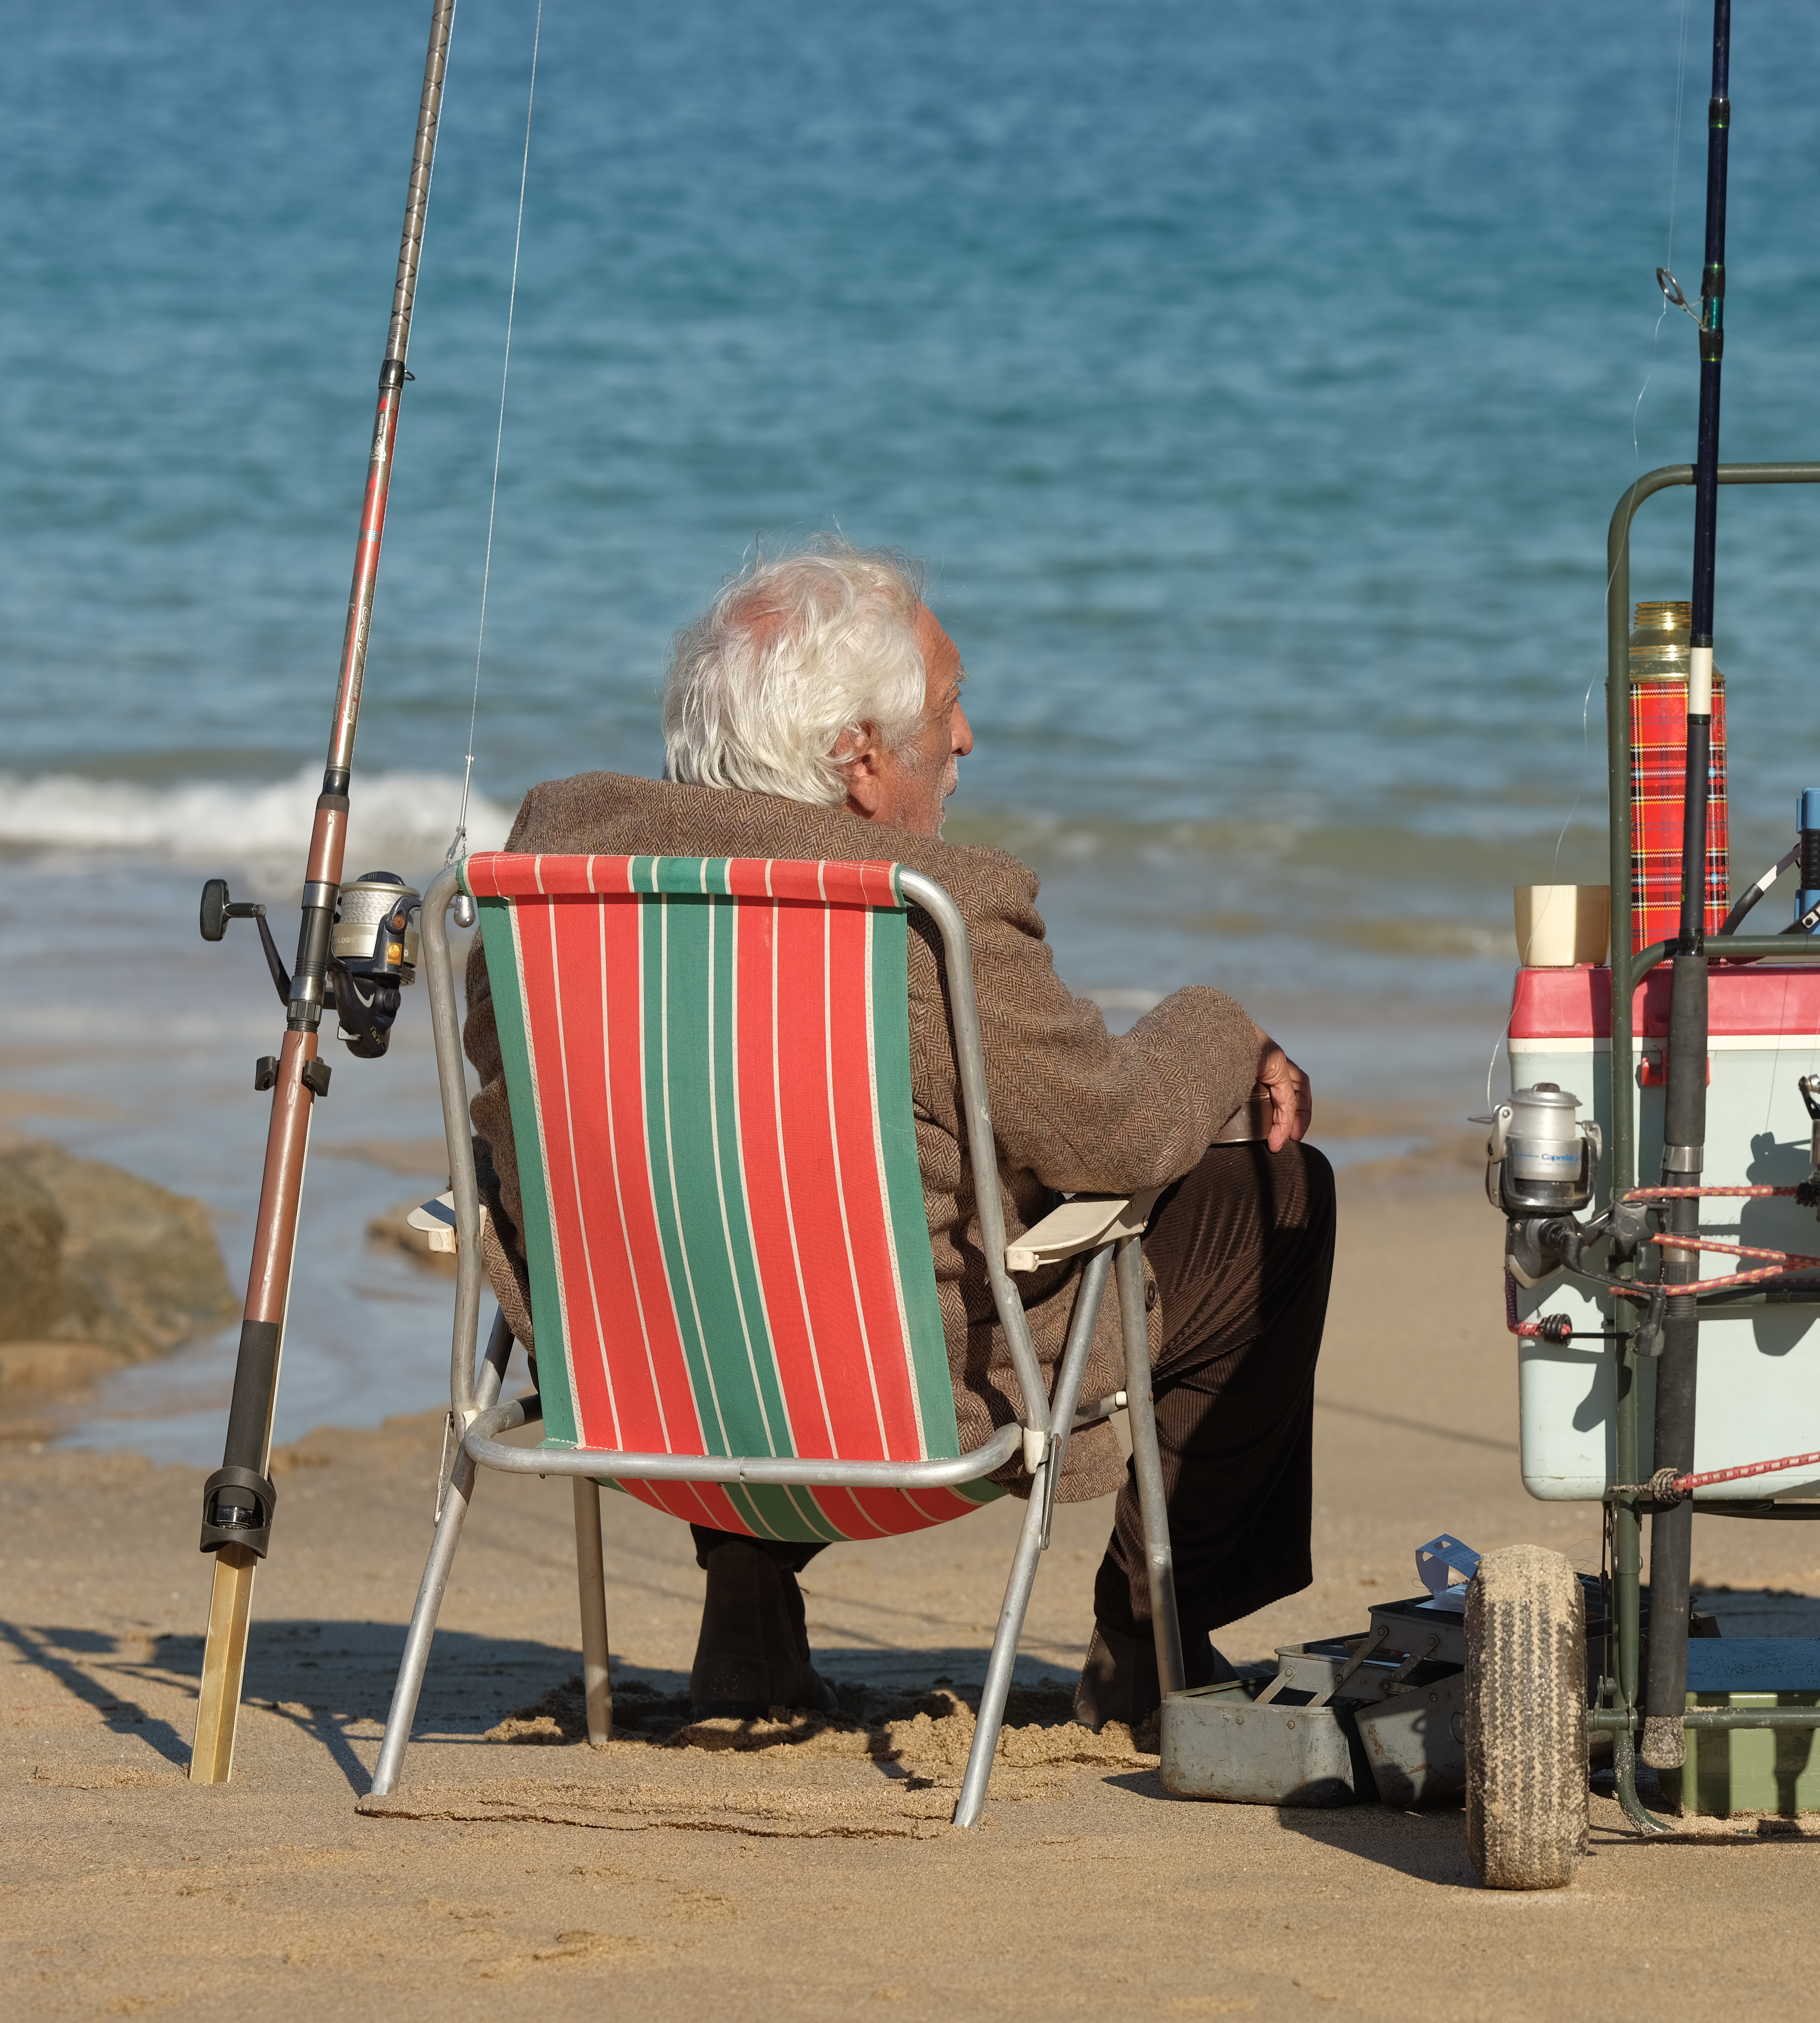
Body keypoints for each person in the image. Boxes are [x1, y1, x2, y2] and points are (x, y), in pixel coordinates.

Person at [459, 539, 1332, 1742]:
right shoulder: (927, 915)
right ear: (859, 758)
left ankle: (750, 1614)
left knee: (704, 1184)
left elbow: (511, 1104)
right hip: (893, 1414)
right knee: (1275, 1201)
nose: (965, 740)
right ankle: (1151, 1640)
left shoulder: (553, 871)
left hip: (636, 1393)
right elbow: (1122, 1134)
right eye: (950, 705)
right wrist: (1225, 1029)